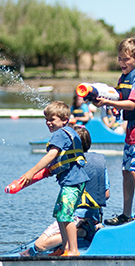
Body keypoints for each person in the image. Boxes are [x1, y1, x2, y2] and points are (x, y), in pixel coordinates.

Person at [93, 37, 135, 225]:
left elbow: (132, 103)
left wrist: (108, 102)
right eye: (120, 59)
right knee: (126, 171)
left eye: (126, 59)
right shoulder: (125, 78)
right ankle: (126, 214)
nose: (122, 63)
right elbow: (120, 99)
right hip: (132, 131)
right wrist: (105, 101)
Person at [21, 125, 110, 256]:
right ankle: (85, 229)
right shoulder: (100, 162)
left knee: (39, 245)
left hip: (76, 216)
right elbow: (106, 195)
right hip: (94, 216)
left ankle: (82, 232)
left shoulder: (70, 164)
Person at [19, 101, 89, 256]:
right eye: (46, 119)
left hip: (73, 182)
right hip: (72, 181)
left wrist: (31, 172)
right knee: (60, 214)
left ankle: (73, 250)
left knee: (66, 216)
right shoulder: (69, 132)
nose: (48, 122)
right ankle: (64, 248)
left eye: (52, 119)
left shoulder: (59, 134)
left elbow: (51, 155)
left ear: (64, 120)